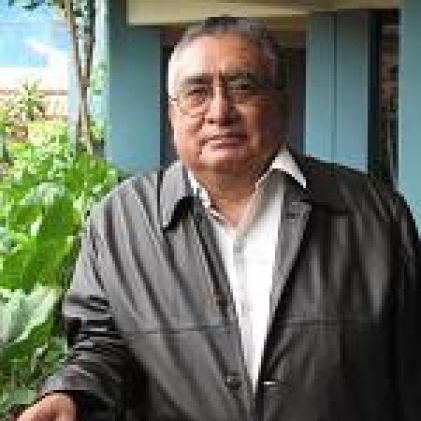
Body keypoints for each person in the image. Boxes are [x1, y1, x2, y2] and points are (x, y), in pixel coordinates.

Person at [18, 15, 420, 421]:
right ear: (173, 114)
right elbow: (102, 345)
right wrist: (72, 395)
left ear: (282, 102)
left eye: (242, 87)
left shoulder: (374, 214)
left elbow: (410, 368)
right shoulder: (121, 222)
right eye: (196, 92)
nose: (219, 112)